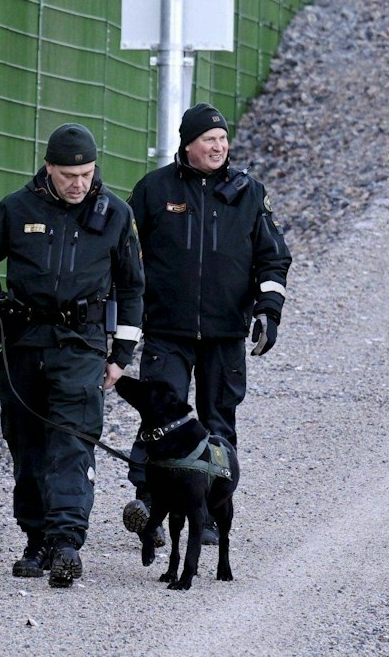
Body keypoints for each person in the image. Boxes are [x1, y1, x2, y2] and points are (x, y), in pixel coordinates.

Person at [0, 123, 145, 588]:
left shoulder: (115, 214)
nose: (77, 183)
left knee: (72, 442)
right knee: (26, 442)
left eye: (86, 173)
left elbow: (134, 287)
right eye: (67, 175)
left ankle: (65, 543)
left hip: (82, 347)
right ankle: (36, 538)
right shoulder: (17, 208)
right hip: (24, 345)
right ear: (48, 169)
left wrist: (120, 354)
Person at [120, 103, 290, 545]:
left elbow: (273, 258)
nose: (218, 147)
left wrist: (268, 313)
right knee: (160, 419)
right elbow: (123, 254)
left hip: (225, 334)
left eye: (222, 139)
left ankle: (210, 514)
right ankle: (149, 508)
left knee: (218, 425)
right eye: (208, 140)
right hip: (167, 331)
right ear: (188, 145)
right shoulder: (154, 190)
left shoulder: (249, 192)